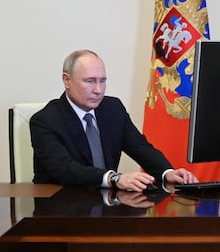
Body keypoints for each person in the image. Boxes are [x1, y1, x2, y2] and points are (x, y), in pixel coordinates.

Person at [30, 49, 198, 192]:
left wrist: (166, 172)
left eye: (102, 81)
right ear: (67, 80)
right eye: (90, 81)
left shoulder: (113, 108)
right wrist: (114, 178)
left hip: (107, 203)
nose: (98, 90)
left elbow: (140, 147)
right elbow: (65, 169)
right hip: (61, 208)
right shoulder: (44, 121)